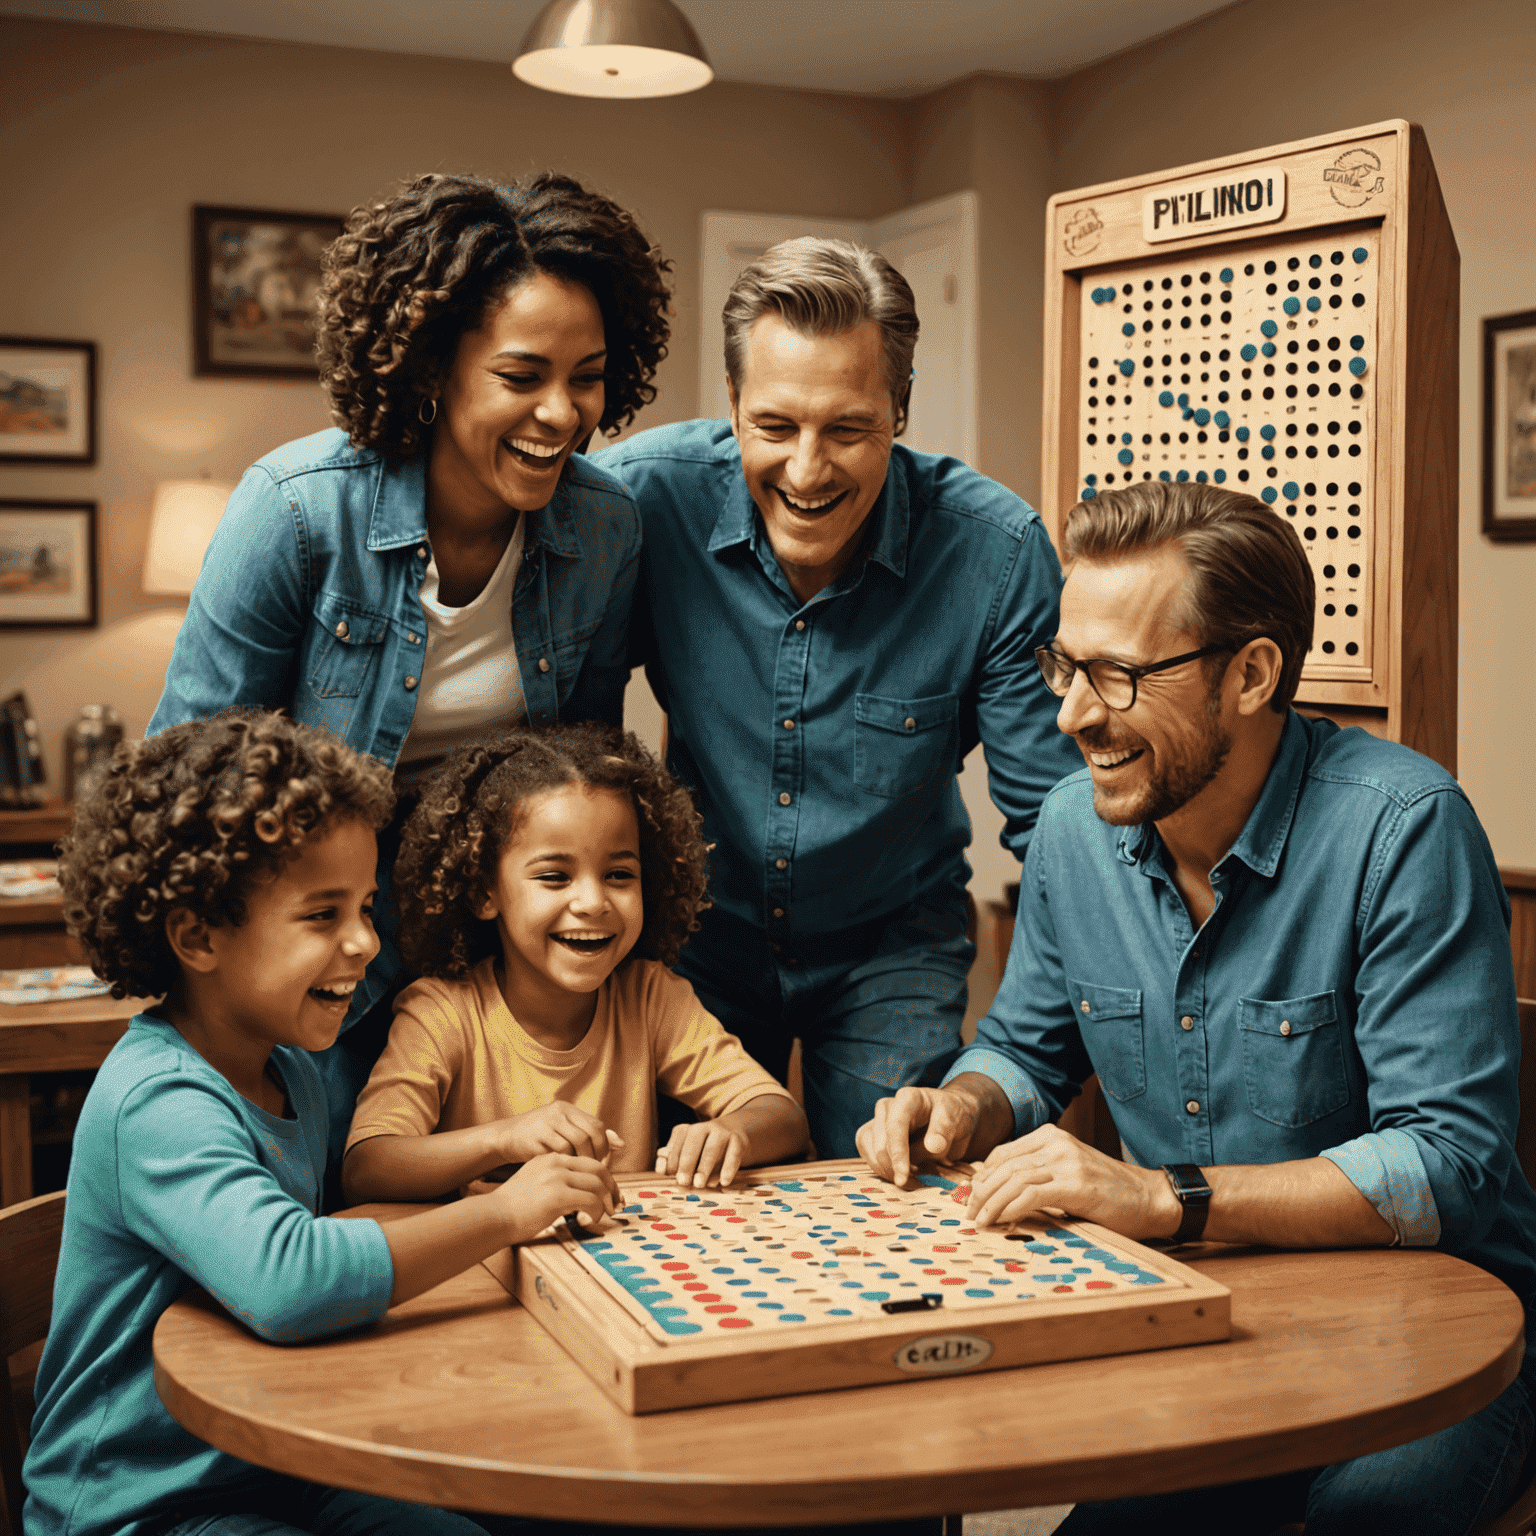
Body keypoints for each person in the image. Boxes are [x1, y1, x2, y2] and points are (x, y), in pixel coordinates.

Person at [857, 480, 1536, 1535]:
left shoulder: (1404, 828)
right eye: (1065, 665)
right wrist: (961, 1106)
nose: (1072, 713)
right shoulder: (1074, 831)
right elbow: (1025, 1052)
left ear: (1252, 674)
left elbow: (1446, 1166)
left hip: (1447, 1335)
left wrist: (1166, 1198)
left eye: (1118, 676)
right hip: (1222, 1327)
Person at [148, 172, 673, 1199]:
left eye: (590, 377)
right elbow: (187, 786)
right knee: (310, 1202)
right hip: (306, 927)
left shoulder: (604, 529)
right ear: (436, 369)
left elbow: (583, 763)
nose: (561, 413)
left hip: (484, 932)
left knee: (477, 1215)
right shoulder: (298, 513)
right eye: (523, 376)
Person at [24, 711, 619, 1536]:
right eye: (322, 916)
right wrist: (508, 1211)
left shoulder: (291, 1067)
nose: (366, 943)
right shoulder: (158, 1101)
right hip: (142, 1503)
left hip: (276, 1461)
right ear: (197, 934)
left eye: (367, 908)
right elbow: (291, 1279)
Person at [594, 237, 1081, 1158]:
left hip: (892, 942)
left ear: (899, 409)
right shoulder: (640, 504)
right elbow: (559, 746)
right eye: (774, 427)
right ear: (732, 406)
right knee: (688, 1196)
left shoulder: (998, 553)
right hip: (695, 931)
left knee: (894, 1186)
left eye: (847, 430)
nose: (808, 471)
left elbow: (1057, 834)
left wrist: (1009, 1063)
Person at [342, 723, 807, 1202]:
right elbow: (368, 1166)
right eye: (554, 877)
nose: (592, 901)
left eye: (619, 875)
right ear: (485, 892)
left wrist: (733, 1133)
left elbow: (781, 1115)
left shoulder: (650, 996)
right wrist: (504, 1138)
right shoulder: (440, 1012)